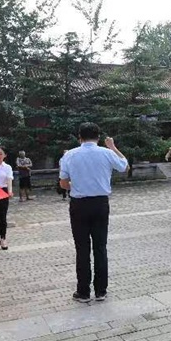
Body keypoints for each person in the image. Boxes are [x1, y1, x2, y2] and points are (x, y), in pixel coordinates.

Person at [59, 122, 128, 303]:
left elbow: (63, 183)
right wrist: (113, 147)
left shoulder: (69, 155)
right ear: (98, 137)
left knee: (82, 248)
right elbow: (124, 167)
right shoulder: (107, 153)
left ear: (79, 137)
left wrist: (77, 186)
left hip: (79, 205)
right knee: (100, 247)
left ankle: (83, 292)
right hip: (100, 204)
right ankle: (101, 291)